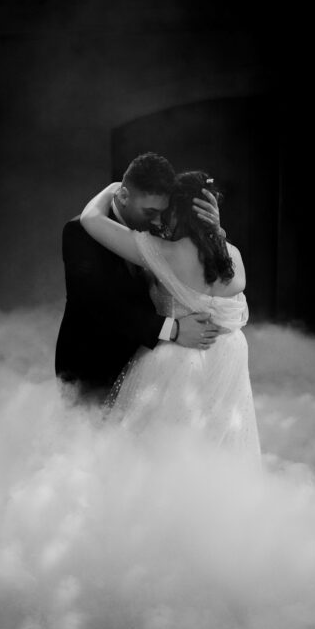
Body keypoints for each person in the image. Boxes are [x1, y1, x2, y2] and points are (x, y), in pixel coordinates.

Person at [79, 170, 261, 461]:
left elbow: (90, 219)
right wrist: (215, 230)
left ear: (175, 212)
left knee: (161, 453)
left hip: (177, 360)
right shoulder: (234, 255)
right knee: (218, 445)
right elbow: (212, 255)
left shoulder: (163, 252)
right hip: (229, 355)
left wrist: (114, 187)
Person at [54, 153, 224, 404]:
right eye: (150, 211)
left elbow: (200, 265)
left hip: (144, 366)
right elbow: (101, 306)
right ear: (123, 196)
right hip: (92, 364)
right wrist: (174, 330)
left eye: (162, 213)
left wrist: (214, 231)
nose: (157, 221)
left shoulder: (159, 229)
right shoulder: (80, 232)